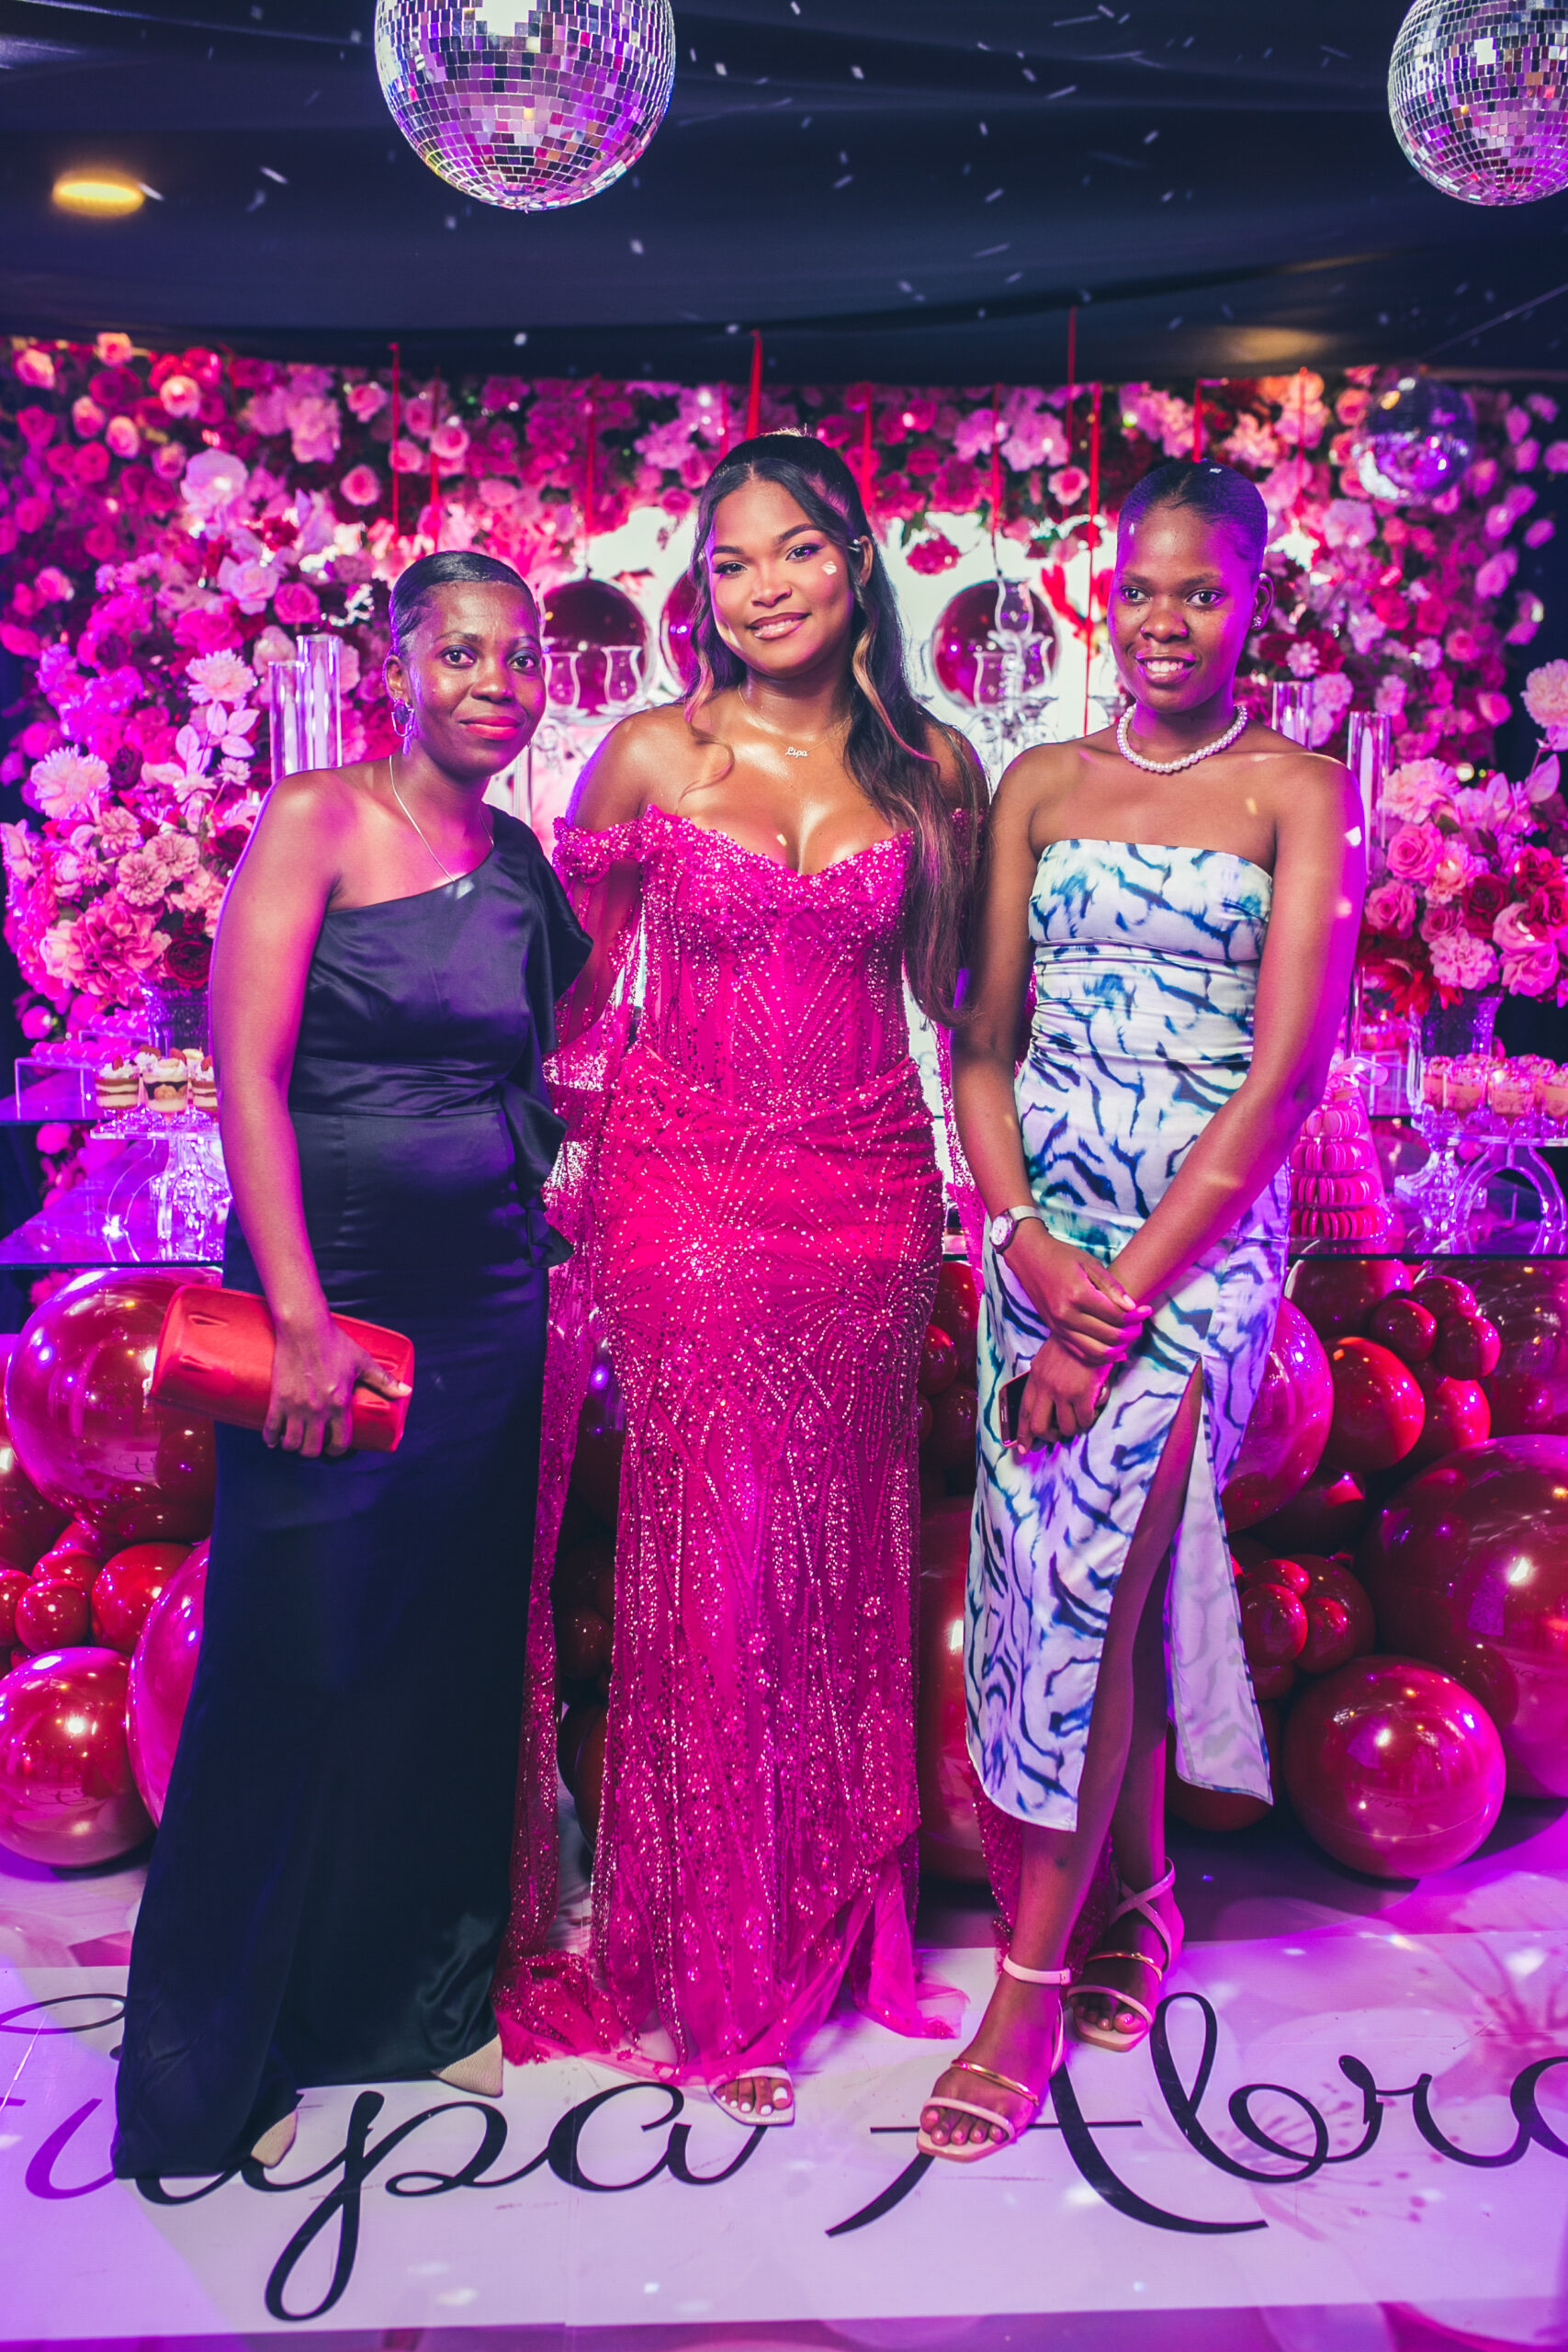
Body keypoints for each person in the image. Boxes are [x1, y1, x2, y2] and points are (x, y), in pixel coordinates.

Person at [494, 435, 984, 2123]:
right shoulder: (652, 753)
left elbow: (965, 1012)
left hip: (869, 1195)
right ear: (699, 590)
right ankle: (711, 1963)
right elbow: (558, 1002)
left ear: (856, 561)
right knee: (713, 1564)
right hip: (683, 1191)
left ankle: (828, 1927)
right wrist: (522, 1162)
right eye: (730, 561)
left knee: (839, 1567)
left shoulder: (933, 768)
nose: (764, 586)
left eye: (796, 550)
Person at [113, 550, 589, 2179]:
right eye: (462, 652)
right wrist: (302, 1310)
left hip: (490, 1307)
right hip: (333, 1298)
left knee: (442, 1658)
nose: (495, 682)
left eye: (521, 657)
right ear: (401, 669)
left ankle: (406, 2006)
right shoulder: (315, 819)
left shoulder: (518, 863)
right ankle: (208, 2067)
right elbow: (243, 1076)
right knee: (290, 1657)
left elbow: (554, 1049)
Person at [919, 458, 1365, 2160]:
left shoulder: (1299, 789)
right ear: (1107, 598)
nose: (1166, 620)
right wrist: (1025, 1239)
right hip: (1040, 1238)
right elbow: (979, 1041)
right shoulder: (1042, 781)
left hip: (1199, 1251)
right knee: (1056, 1581)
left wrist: (1110, 1304)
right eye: (1143, 589)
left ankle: (1026, 1987)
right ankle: (1143, 1896)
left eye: (1203, 591)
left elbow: (1288, 1077)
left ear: (1251, 603)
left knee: (1097, 1580)